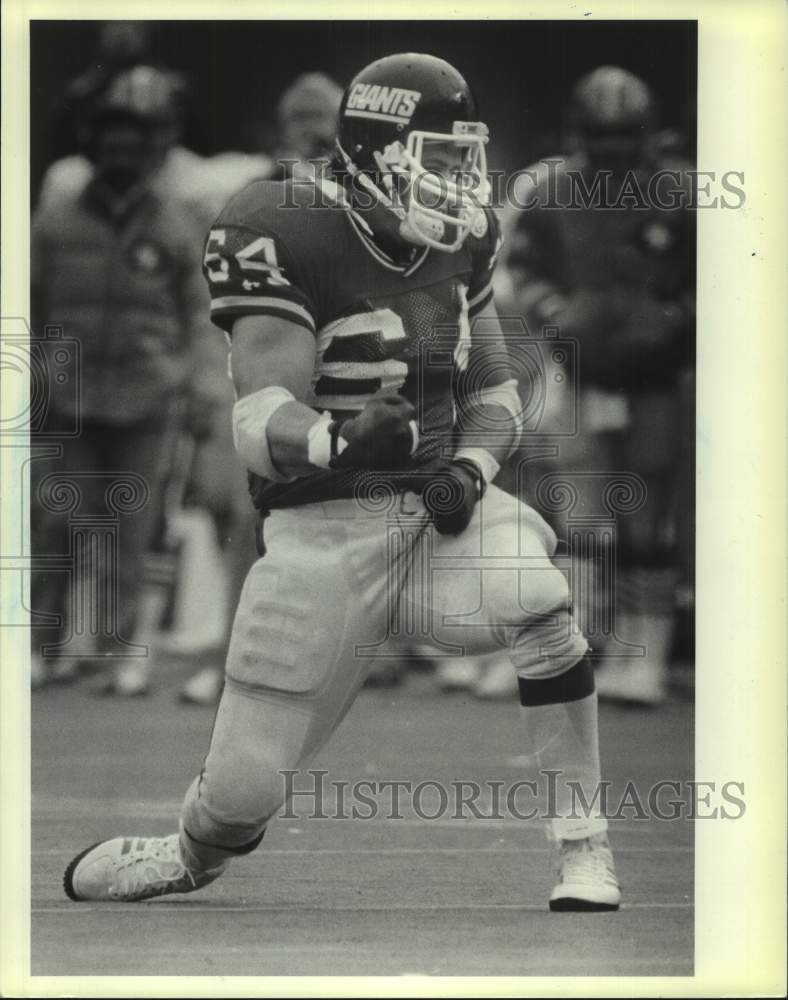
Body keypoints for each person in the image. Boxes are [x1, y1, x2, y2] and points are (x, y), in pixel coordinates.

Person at [63, 53, 621, 912]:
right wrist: (339, 438)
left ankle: (584, 848)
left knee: (541, 604)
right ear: (373, 151)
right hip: (319, 530)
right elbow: (258, 418)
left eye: (463, 157)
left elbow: (495, 392)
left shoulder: (465, 234)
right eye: (437, 158)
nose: (457, 180)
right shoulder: (279, 224)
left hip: (433, 516)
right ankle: (187, 851)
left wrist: (469, 470)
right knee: (238, 801)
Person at [496, 65, 696, 705]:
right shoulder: (552, 190)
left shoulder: (682, 191)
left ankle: (646, 651)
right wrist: (556, 311)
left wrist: (674, 317)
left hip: (655, 379)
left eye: (624, 134)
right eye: (601, 134)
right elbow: (525, 269)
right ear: (579, 132)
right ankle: (581, 641)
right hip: (579, 373)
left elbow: (722, 275)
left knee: (647, 521)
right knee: (580, 517)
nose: (612, 148)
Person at [30, 66, 225, 693]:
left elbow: (200, 313)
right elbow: (28, 306)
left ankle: (119, 653)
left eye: (134, 146)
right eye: (110, 144)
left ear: (152, 153)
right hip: (70, 400)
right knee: (56, 524)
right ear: (93, 148)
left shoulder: (176, 224)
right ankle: (41, 648)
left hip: (148, 402)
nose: (122, 155)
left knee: (132, 531)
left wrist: (199, 384)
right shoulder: (54, 221)